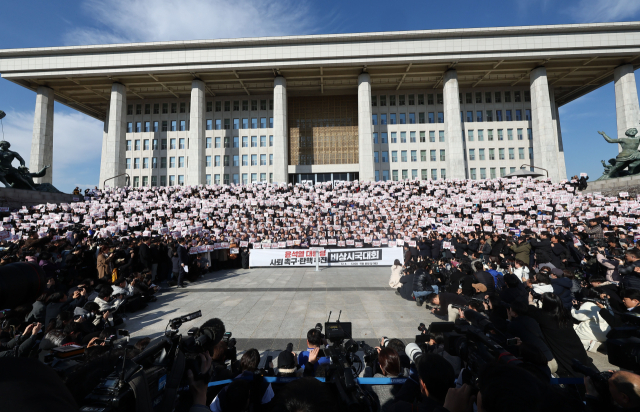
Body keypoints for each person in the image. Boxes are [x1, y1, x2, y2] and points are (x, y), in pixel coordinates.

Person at [526, 292, 595, 377]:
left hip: (560, 348)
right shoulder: (564, 313)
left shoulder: (543, 316)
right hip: (575, 345)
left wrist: (530, 300)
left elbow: (531, 309)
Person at [388, 353, 455, 412]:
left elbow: (393, 407)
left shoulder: (406, 409)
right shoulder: (460, 407)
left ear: (423, 385)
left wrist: (413, 380)